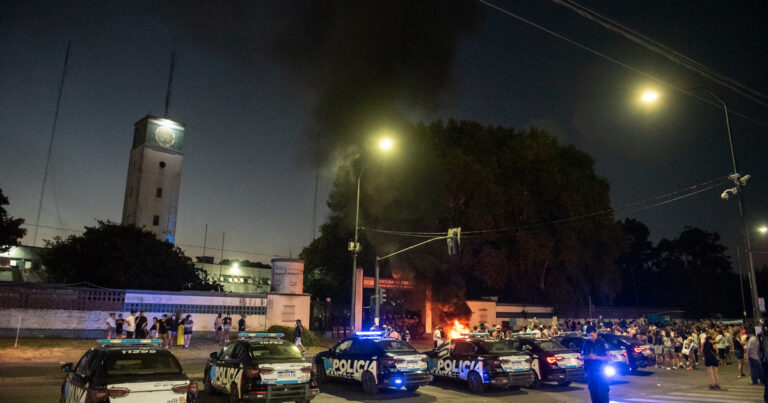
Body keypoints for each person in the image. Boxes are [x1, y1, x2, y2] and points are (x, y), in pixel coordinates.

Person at [580, 326, 611, 403]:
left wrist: (596, 357)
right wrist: (587, 357)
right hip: (591, 371)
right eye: (589, 335)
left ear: (596, 333)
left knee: (603, 391)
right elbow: (581, 356)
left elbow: (609, 357)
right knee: (593, 391)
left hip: (602, 370)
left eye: (592, 335)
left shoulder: (602, 342)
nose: (591, 337)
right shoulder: (586, 343)